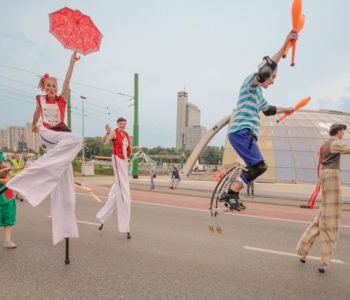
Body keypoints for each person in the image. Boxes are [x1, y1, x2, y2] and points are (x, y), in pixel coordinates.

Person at [4, 52, 82, 245]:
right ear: (44, 87)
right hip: (47, 133)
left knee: (67, 191)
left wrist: (71, 62)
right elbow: (36, 113)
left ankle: (65, 223)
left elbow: (67, 81)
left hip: (61, 136)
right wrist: (33, 124)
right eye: (49, 86)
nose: (52, 89)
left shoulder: (62, 99)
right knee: (76, 140)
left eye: (54, 86)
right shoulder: (40, 100)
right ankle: (37, 168)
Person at [223, 31, 297, 211]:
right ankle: (231, 193)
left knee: (256, 167)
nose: (273, 81)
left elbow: (269, 110)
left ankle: (232, 193)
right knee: (258, 167)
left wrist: (287, 109)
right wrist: (285, 44)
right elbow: (265, 69)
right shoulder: (251, 82)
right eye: (273, 77)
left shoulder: (259, 95)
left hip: (244, 134)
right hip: (242, 131)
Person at [296, 124, 350, 273]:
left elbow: (321, 160)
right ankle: (324, 262)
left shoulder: (323, 144)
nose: (344, 132)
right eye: (343, 130)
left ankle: (303, 251)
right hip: (332, 176)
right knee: (331, 218)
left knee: (321, 217)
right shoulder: (335, 143)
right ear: (339, 131)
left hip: (325, 175)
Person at [96, 118, 140, 239]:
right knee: (124, 192)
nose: (123, 125)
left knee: (117, 191)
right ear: (118, 124)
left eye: (124, 123)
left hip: (124, 161)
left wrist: (137, 148)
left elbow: (127, 147)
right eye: (121, 123)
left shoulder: (125, 134)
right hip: (117, 159)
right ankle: (125, 224)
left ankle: (103, 216)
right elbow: (104, 141)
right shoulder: (114, 133)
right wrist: (106, 133)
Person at [0, 151, 17, 248]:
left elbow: (10, 180)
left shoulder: (4, 168)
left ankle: (8, 241)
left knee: (9, 220)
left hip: (8, 198)